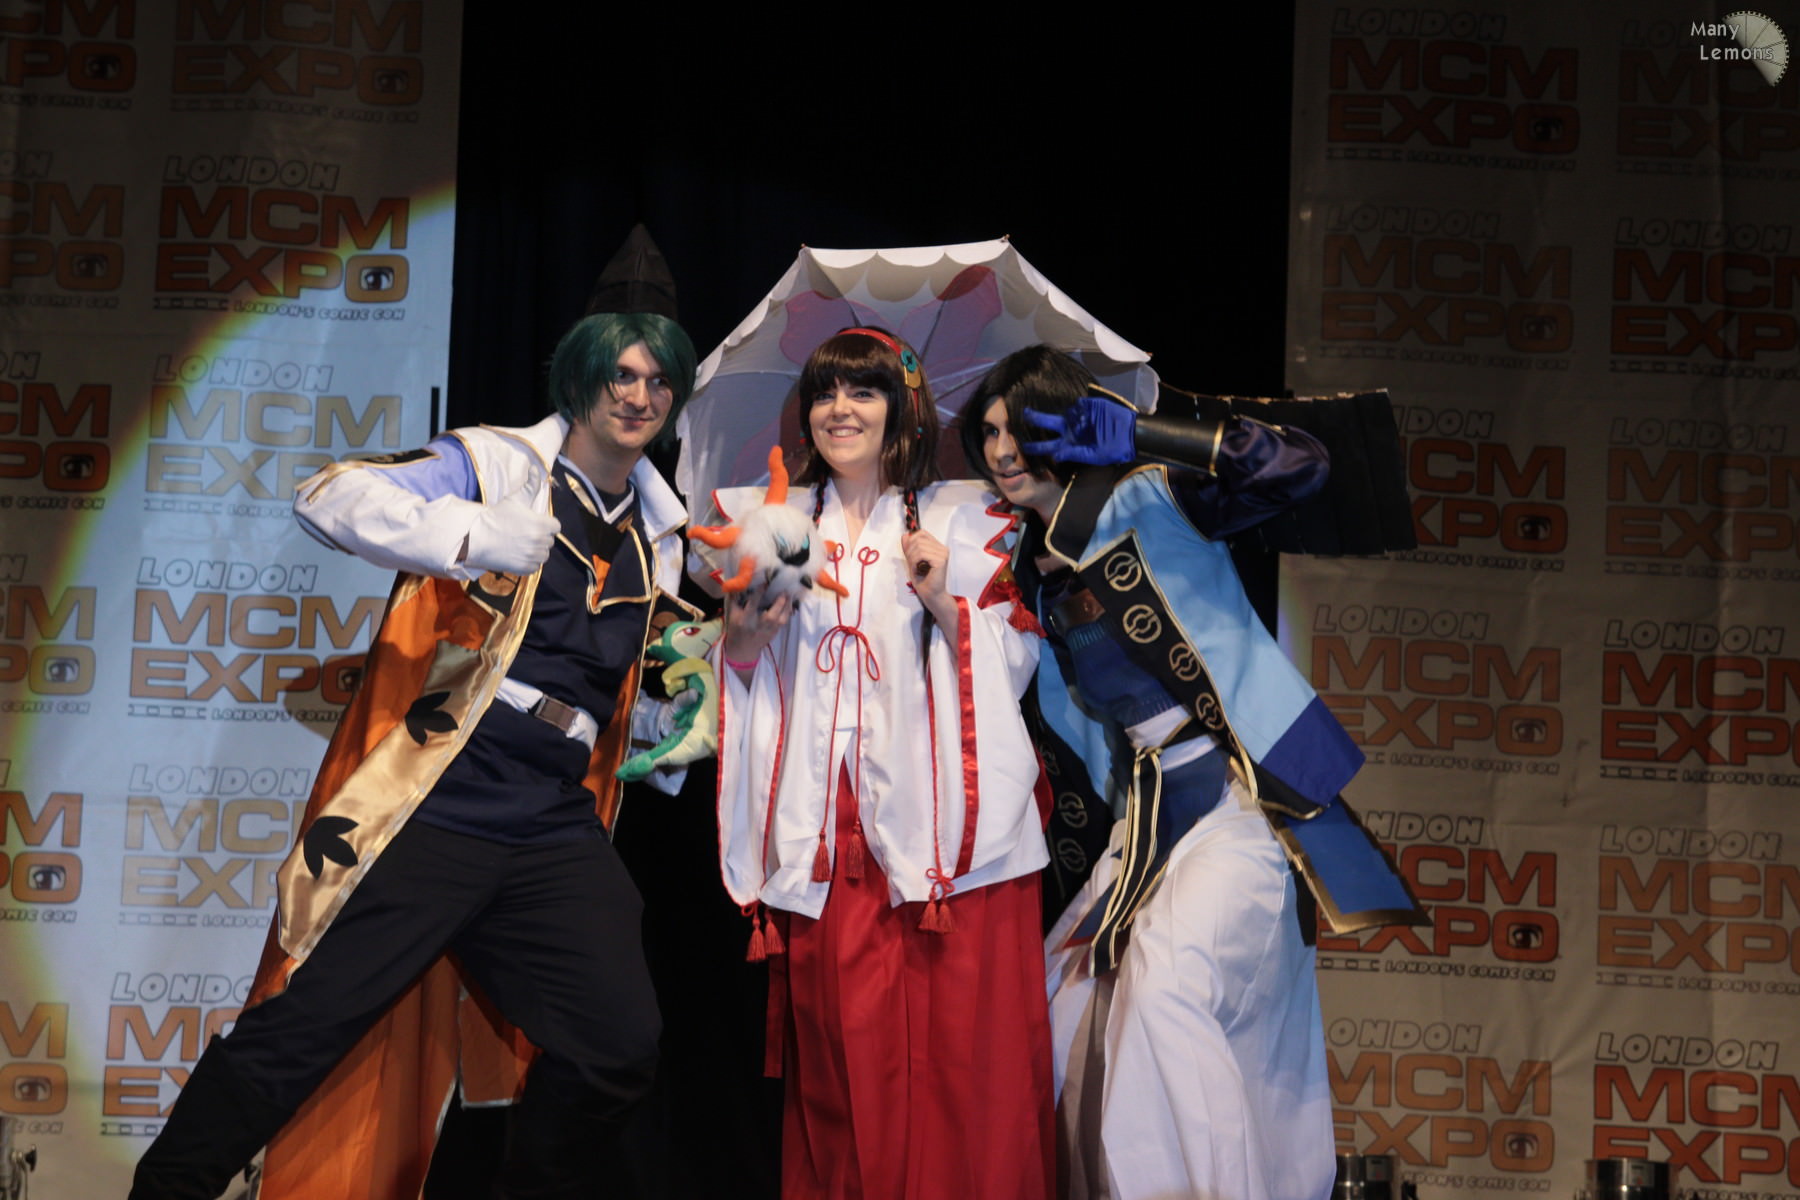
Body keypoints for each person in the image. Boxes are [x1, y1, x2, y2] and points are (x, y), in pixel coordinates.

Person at [130, 310, 702, 1200]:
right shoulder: (496, 464)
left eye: (659, 381)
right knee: (308, 1024)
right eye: (621, 375)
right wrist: (471, 535)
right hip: (447, 794)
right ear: (581, 378)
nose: (639, 396)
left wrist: (688, 703)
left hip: (552, 817)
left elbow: (623, 689)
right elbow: (329, 495)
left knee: (618, 1045)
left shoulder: (658, 533)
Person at [960, 346, 1420, 1200]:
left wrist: (1146, 433)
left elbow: (1301, 465)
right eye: (986, 433)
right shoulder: (1029, 577)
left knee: (1167, 991)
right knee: (1059, 1011)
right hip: (1148, 822)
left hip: (1243, 804)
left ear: (1068, 423)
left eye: (1019, 428)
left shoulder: (1148, 497)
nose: (1000, 450)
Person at [707, 328, 1054, 1200]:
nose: (840, 410)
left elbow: (1017, 662)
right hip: (829, 844)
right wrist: (741, 640)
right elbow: (746, 676)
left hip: (945, 850)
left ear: (903, 407)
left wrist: (942, 600)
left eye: (862, 391)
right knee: (842, 1076)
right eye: (825, 393)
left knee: (959, 1077)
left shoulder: (968, 519)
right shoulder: (779, 527)